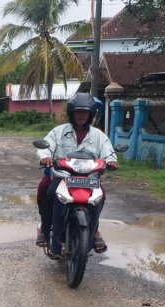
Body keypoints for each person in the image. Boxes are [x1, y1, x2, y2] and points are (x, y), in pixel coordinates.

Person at [35, 92, 119, 255]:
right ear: (72, 113)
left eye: (85, 112)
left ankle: (94, 230)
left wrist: (112, 161)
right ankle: (45, 229)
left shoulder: (99, 136)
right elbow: (45, 147)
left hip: (89, 178)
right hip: (63, 178)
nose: (81, 116)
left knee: (101, 196)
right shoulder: (58, 132)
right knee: (47, 191)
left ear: (90, 115)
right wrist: (45, 157)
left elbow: (108, 152)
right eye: (78, 112)